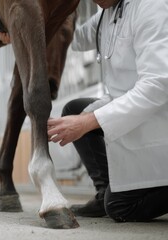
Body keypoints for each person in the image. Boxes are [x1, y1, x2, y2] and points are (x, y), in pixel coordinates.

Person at [47, 0, 168, 222]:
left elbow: (157, 86)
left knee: (120, 207)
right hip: (129, 107)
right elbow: (73, 37)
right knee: (74, 109)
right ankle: (104, 191)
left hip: (158, 114)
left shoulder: (151, 6)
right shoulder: (107, 13)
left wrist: (88, 122)